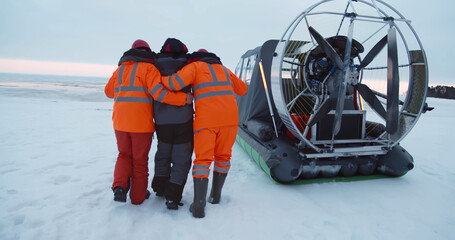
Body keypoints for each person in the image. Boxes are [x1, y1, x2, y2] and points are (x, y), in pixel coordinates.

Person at [161, 49, 248, 218]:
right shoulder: (224, 70)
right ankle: (215, 197)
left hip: (206, 121)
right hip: (230, 121)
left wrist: (157, 78)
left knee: (203, 160)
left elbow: (173, 84)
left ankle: (199, 205)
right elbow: (243, 89)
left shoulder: (195, 67)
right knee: (223, 157)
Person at [104, 39, 192, 205]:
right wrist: (183, 99)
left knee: (123, 155)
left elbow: (108, 92)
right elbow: (159, 94)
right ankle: (137, 197)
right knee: (139, 160)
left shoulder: (120, 70)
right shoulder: (149, 68)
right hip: (141, 125)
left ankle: (119, 187)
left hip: (120, 123)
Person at [151, 38, 193, 210]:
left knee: (163, 152)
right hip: (183, 119)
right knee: (181, 158)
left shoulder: (154, 65)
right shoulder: (188, 65)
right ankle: (173, 197)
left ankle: (160, 188)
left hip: (161, 120)